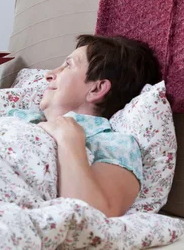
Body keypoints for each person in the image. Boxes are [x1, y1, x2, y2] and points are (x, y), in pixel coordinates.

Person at [11, 34, 161, 217]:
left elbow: (94, 216)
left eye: (68, 65)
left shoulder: (113, 144)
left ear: (96, 89)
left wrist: (68, 140)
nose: (49, 75)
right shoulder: (20, 117)